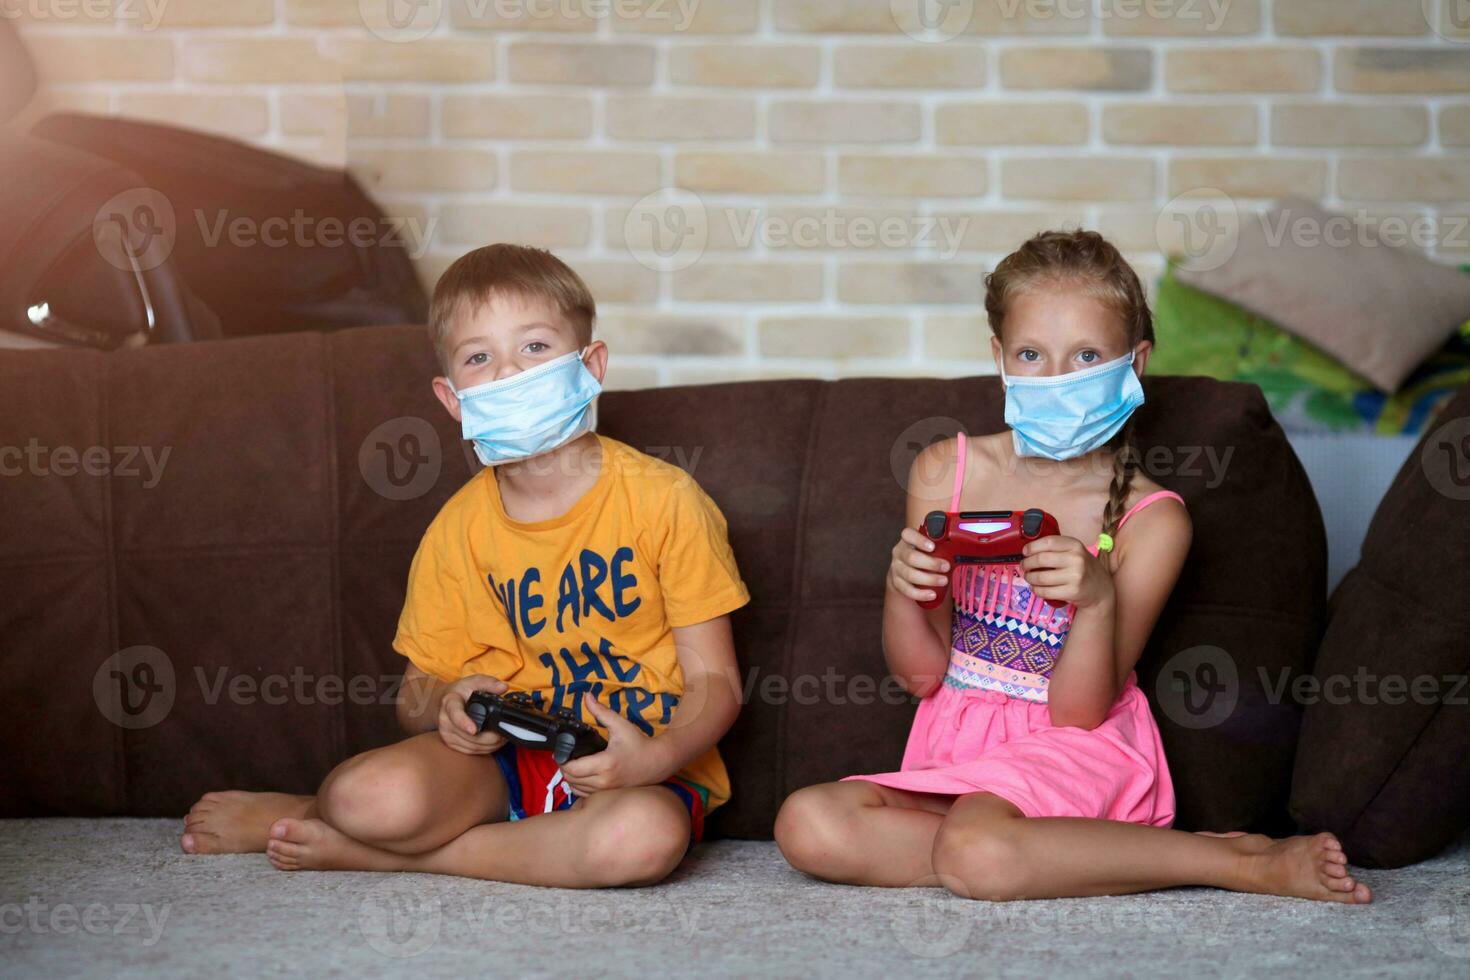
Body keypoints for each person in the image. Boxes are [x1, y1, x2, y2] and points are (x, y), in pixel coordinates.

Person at [774, 230, 1371, 905]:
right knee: (810, 822)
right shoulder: (945, 470)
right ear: (999, 358)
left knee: (975, 845)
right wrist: (902, 588)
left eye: (1086, 355)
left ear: (1134, 364)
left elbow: (1082, 713)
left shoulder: (1152, 520)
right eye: (1032, 354)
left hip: (1074, 749)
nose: (1056, 377)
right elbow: (920, 675)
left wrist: (1096, 600)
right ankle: (1054, 857)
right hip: (961, 748)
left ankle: (1231, 862)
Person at [182, 244, 749, 888]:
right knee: (363, 795)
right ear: (452, 399)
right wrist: (446, 706)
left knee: (638, 842)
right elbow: (415, 695)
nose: (509, 373)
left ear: (590, 365)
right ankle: (328, 816)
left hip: (639, 769)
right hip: (502, 762)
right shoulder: (457, 530)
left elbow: (715, 681)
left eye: (534, 348)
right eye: (480, 358)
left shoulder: (666, 500)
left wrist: (659, 756)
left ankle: (379, 853)